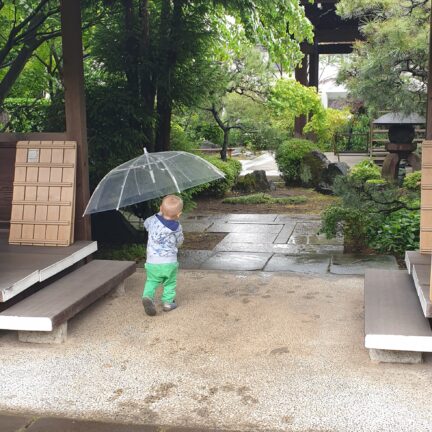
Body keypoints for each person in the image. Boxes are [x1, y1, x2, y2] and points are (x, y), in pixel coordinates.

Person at [142, 195, 184, 316]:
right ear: (179, 214)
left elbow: (145, 225)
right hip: (169, 262)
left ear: (160, 208)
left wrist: (158, 213)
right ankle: (168, 303)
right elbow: (180, 241)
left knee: (151, 281)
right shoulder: (176, 227)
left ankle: (147, 296)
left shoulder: (152, 220)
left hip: (152, 262)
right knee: (170, 282)